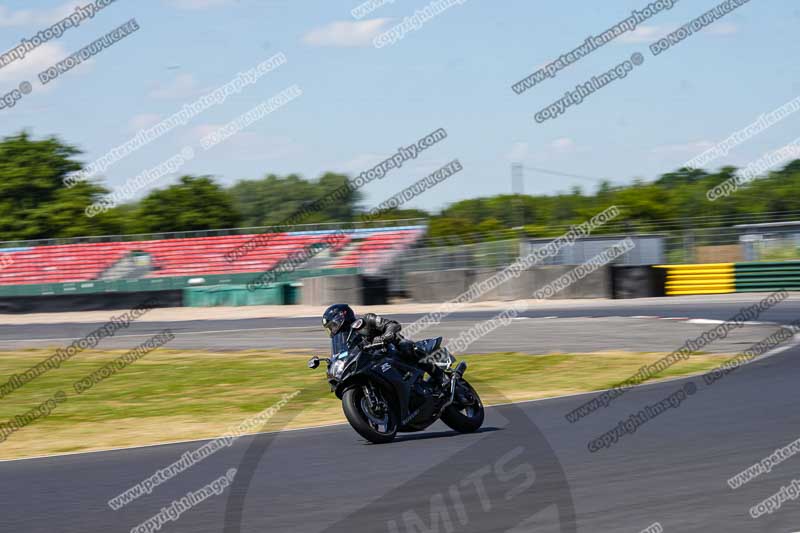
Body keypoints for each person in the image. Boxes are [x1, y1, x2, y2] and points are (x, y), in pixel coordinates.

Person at [321, 304, 448, 385]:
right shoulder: (345, 340)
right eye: (329, 327)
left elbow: (393, 325)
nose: (332, 329)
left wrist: (385, 337)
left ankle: (440, 376)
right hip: (373, 363)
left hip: (391, 350)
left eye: (332, 325)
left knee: (406, 347)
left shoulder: (366, 320)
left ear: (341, 318)